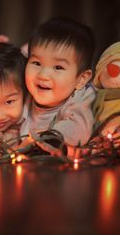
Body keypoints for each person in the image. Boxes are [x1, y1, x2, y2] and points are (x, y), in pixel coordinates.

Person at [19, 16, 96, 158]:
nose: (43, 75)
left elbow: (78, 128)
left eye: (58, 67)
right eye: (36, 63)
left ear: (81, 79)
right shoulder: (24, 92)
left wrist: (50, 139)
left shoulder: (78, 100)